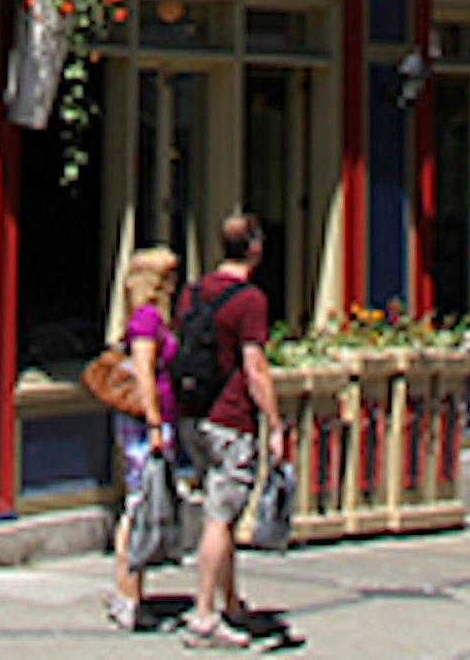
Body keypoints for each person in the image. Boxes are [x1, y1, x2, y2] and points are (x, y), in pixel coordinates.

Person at [178, 215, 280, 650]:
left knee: (222, 509)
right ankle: (204, 615)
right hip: (231, 417)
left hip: (193, 415)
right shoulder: (250, 300)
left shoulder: (193, 292)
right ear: (254, 248)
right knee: (220, 518)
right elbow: (255, 368)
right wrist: (274, 423)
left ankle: (231, 601)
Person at [108, 244, 182, 633]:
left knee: (142, 503)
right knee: (139, 504)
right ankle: (127, 593)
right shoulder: (146, 320)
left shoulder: (147, 319)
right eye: (167, 278)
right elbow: (143, 372)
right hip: (144, 424)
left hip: (152, 421)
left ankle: (132, 591)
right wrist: (155, 423)